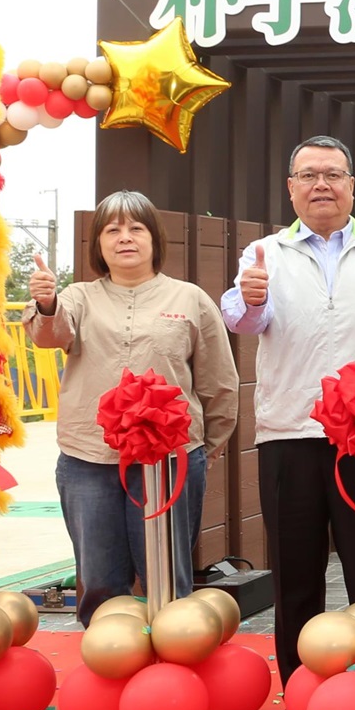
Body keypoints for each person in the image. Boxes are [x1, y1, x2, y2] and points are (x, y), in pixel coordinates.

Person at [221, 136, 355, 710]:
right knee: (296, 572)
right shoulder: (266, 252)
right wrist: (249, 300)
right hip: (290, 432)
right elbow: (244, 318)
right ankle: (300, 695)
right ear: (291, 188)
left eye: (333, 175)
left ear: (352, 187)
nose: (322, 185)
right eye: (309, 175)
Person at [25, 191, 238, 624]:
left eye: (136, 228)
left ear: (154, 238)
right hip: (88, 459)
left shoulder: (189, 298)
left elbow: (218, 382)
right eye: (113, 230)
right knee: (99, 579)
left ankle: (174, 656)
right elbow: (50, 334)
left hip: (170, 460)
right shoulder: (78, 296)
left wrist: (204, 447)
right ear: (98, 245)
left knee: (168, 579)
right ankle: (107, 652)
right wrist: (47, 303)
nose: (125, 238)